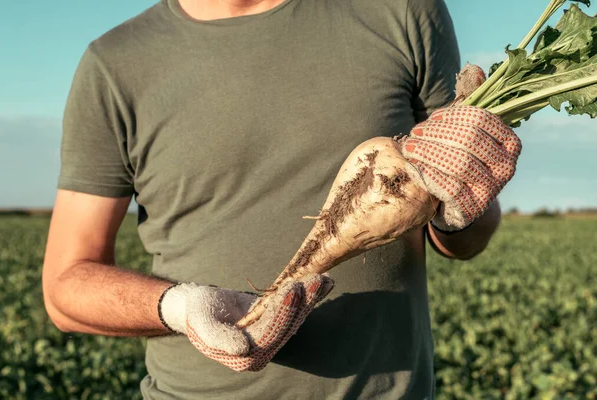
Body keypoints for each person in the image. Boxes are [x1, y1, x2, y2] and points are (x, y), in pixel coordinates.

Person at [42, 0, 521, 398]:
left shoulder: (401, 11)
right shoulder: (116, 64)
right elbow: (66, 287)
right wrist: (181, 308)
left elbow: (465, 237)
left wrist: (459, 212)